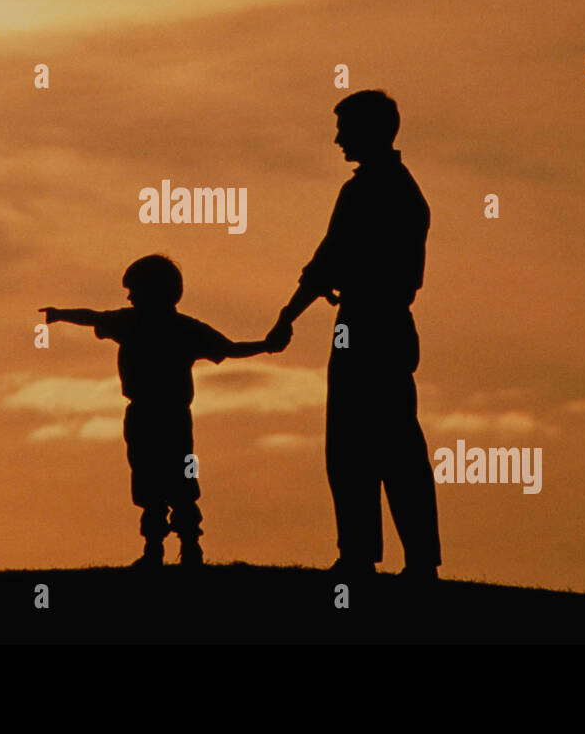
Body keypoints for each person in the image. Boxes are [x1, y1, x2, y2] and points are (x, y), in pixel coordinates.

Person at [267, 89, 442, 582]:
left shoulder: (368, 191)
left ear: (370, 130)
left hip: (368, 324)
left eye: (345, 128)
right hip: (379, 323)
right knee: (390, 444)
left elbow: (329, 260)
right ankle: (406, 559)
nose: (338, 138)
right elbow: (333, 262)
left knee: (362, 444)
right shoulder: (400, 189)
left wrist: (289, 313)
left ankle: (367, 557)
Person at [41, 254, 284, 569]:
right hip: (168, 418)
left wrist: (60, 315)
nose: (128, 296)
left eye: (134, 289)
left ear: (152, 290)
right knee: (166, 480)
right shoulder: (180, 327)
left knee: (154, 480)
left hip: (156, 417)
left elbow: (92, 316)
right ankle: (177, 548)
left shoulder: (131, 323)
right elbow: (230, 348)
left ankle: (168, 549)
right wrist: (266, 345)